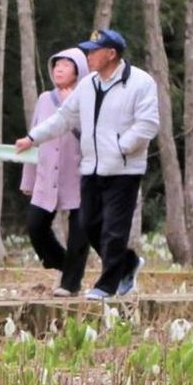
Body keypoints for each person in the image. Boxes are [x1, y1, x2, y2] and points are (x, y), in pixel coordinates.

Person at [15, 27, 159, 299]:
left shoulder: (141, 82)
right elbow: (63, 118)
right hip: (92, 167)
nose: (88, 56)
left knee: (114, 229)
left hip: (123, 169)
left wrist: (120, 147)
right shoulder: (89, 84)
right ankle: (128, 264)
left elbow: (148, 125)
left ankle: (107, 286)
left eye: (94, 52)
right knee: (90, 225)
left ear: (111, 54)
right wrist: (32, 138)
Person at [18, 47, 88, 295]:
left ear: (79, 71)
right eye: (56, 64)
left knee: (80, 231)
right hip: (48, 174)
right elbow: (33, 137)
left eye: (67, 65)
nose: (59, 68)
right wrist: (29, 179)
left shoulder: (87, 98)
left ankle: (70, 284)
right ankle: (64, 263)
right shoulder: (44, 99)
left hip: (79, 174)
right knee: (36, 225)